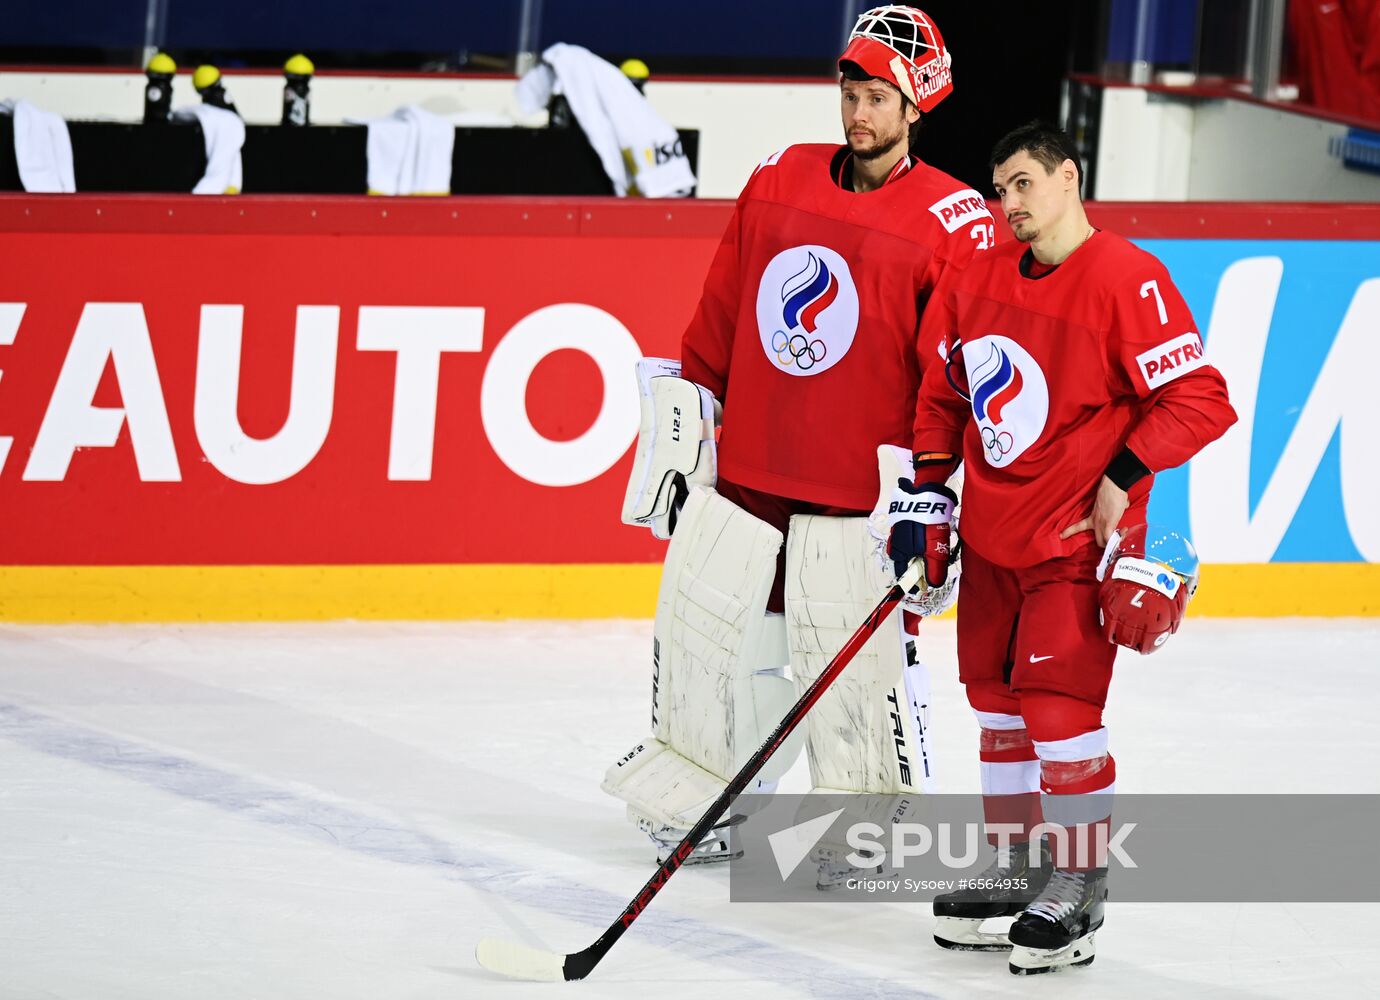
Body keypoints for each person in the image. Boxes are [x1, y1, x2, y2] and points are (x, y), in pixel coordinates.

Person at [606, 5, 994, 870]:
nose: (858, 113)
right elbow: (718, 314)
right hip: (752, 476)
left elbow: (950, 377)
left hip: (856, 498)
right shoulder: (778, 178)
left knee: (850, 670)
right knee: (718, 650)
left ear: (917, 106)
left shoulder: (954, 222)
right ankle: (711, 795)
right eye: (851, 91)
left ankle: (868, 813)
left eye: (879, 98)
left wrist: (936, 490)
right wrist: (689, 417)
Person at [888, 121, 1237, 974]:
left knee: (1058, 713)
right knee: (997, 709)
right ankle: (1016, 869)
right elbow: (942, 395)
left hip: (1076, 542)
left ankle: (1077, 882)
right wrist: (930, 496)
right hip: (994, 537)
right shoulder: (978, 275)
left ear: (1069, 177)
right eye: (999, 188)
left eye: (1023, 184)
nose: (1009, 203)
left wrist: (1123, 472)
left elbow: (1201, 397)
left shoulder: (1127, 278)